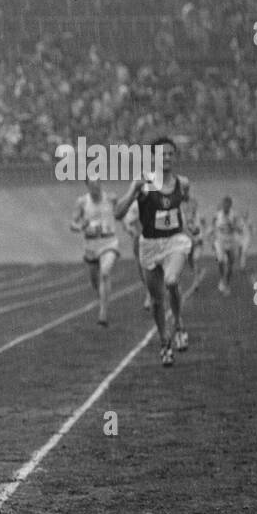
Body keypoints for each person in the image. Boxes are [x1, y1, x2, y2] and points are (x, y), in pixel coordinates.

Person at [114, 136, 192, 367]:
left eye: (170, 154)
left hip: (175, 241)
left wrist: (190, 225)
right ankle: (164, 341)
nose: (166, 157)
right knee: (157, 300)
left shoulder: (183, 183)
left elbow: (183, 205)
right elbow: (118, 213)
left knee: (171, 280)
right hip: (149, 245)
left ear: (175, 157)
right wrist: (133, 191)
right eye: (161, 154)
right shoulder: (143, 183)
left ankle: (179, 324)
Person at [68, 181, 119, 326]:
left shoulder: (110, 198)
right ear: (88, 186)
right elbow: (73, 224)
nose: (96, 187)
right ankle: (102, 298)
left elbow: (119, 213)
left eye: (98, 183)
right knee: (95, 281)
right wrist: (80, 227)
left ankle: (103, 312)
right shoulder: (82, 202)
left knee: (105, 273)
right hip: (91, 245)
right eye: (92, 185)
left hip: (109, 242)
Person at [211, 195, 243, 294]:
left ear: (230, 205)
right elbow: (213, 226)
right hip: (220, 240)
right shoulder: (217, 215)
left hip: (231, 240)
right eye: (224, 204)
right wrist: (212, 239)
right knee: (220, 260)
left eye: (228, 205)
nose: (226, 206)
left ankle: (227, 283)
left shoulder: (234, 215)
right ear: (222, 205)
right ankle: (222, 279)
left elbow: (240, 229)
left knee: (230, 263)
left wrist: (233, 226)